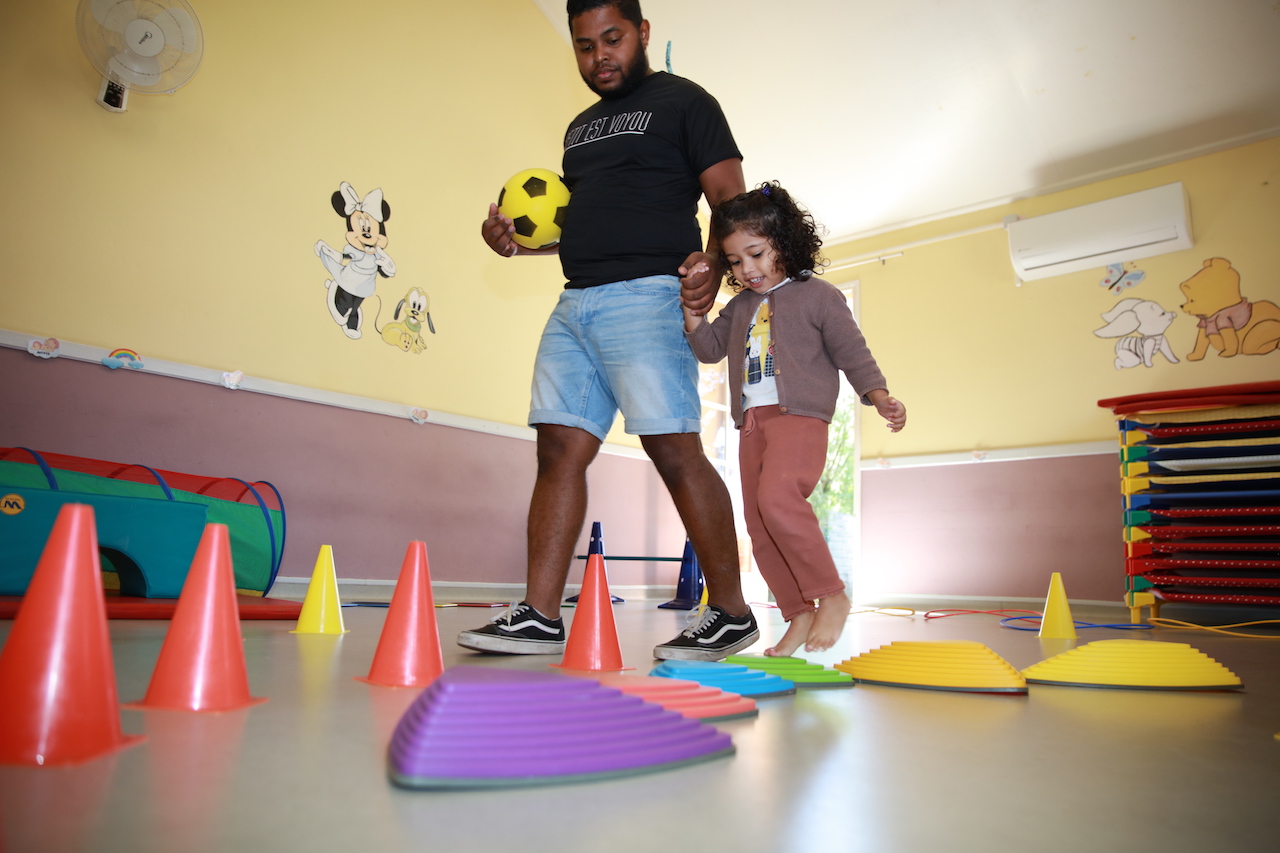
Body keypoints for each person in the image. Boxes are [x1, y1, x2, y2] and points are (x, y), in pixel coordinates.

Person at [458, 0, 758, 661]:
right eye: (585, 45)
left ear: (642, 33)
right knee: (557, 449)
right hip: (576, 304)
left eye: (612, 39)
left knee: (673, 449)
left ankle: (732, 613)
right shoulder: (579, 129)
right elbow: (583, 224)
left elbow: (730, 201)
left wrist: (713, 263)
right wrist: (518, 244)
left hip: (650, 295)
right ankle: (540, 615)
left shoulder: (687, 102)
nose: (600, 56)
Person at [682, 182, 907, 656]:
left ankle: (832, 594)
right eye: (735, 261)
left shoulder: (818, 296)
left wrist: (879, 395)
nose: (747, 269)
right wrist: (693, 316)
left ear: (784, 242)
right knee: (758, 521)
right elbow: (709, 350)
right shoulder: (739, 306)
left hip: (800, 417)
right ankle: (798, 613)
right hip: (752, 425)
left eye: (757, 254)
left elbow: (852, 351)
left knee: (778, 498)